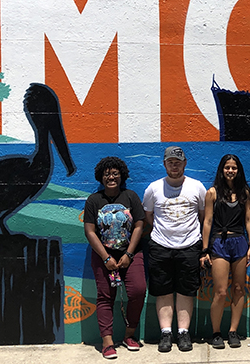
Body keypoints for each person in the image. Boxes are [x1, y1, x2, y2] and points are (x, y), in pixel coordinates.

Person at [143, 146, 207, 353]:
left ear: (185, 163)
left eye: (178, 162)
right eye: (170, 162)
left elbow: (203, 216)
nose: (174, 165)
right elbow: (149, 217)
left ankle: (183, 332)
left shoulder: (197, 187)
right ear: (164, 164)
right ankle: (165, 333)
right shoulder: (153, 188)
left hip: (190, 245)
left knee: (186, 290)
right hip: (160, 246)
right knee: (162, 290)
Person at [84, 157, 147, 360]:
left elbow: (139, 225)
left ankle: (130, 335)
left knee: (138, 290)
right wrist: (105, 258)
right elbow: (90, 231)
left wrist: (129, 254)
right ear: (101, 177)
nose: (111, 177)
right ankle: (108, 342)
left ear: (122, 175)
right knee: (105, 296)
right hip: (104, 256)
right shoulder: (94, 200)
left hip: (131, 254)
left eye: (115, 173)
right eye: (107, 174)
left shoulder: (130, 197)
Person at [200, 154, 250, 349]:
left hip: (239, 242)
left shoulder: (245, 193)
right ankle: (216, 333)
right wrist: (204, 250)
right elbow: (207, 221)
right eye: (227, 168)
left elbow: (248, 219)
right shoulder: (212, 193)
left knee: (239, 289)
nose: (230, 171)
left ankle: (233, 331)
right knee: (221, 291)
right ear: (221, 170)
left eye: (234, 168)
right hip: (219, 243)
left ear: (238, 170)